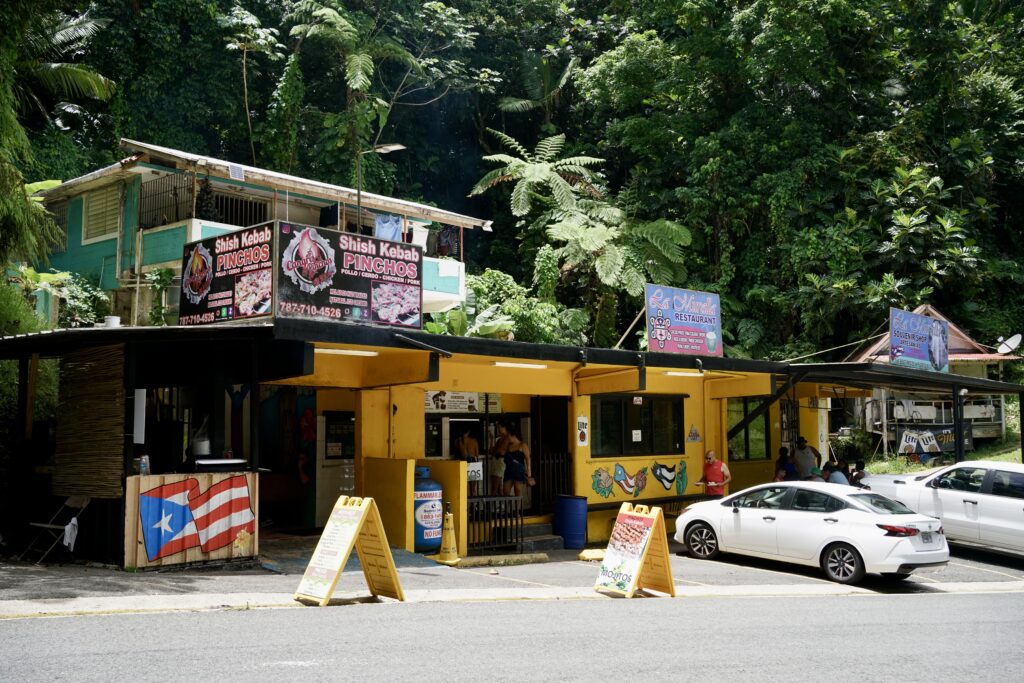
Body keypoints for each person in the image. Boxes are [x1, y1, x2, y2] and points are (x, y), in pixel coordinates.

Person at [501, 424, 534, 497]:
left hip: (519, 472)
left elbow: (528, 459)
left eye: (508, 436)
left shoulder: (522, 445)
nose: (507, 438)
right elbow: (502, 452)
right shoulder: (509, 445)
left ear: (511, 435)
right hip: (509, 471)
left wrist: (529, 475)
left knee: (518, 493)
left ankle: (518, 508)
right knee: (505, 492)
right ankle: (508, 508)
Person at [489, 422, 509, 495]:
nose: (498, 429)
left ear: (504, 427)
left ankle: (495, 505)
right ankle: (499, 505)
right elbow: (491, 451)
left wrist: (495, 451)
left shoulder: (507, 438)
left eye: (499, 427)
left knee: (495, 487)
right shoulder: (499, 439)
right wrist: (491, 440)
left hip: (501, 461)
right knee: (496, 487)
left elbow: (500, 451)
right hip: (496, 461)